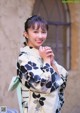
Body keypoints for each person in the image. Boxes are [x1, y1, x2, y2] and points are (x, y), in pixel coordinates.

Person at [9, 15, 68, 113]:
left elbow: (60, 83)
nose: (40, 36)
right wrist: (46, 61)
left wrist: (52, 62)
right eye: (35, 32)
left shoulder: (42, 53)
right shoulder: (24, 58)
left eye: (43, 32)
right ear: (26, 34)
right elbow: (43, 84)